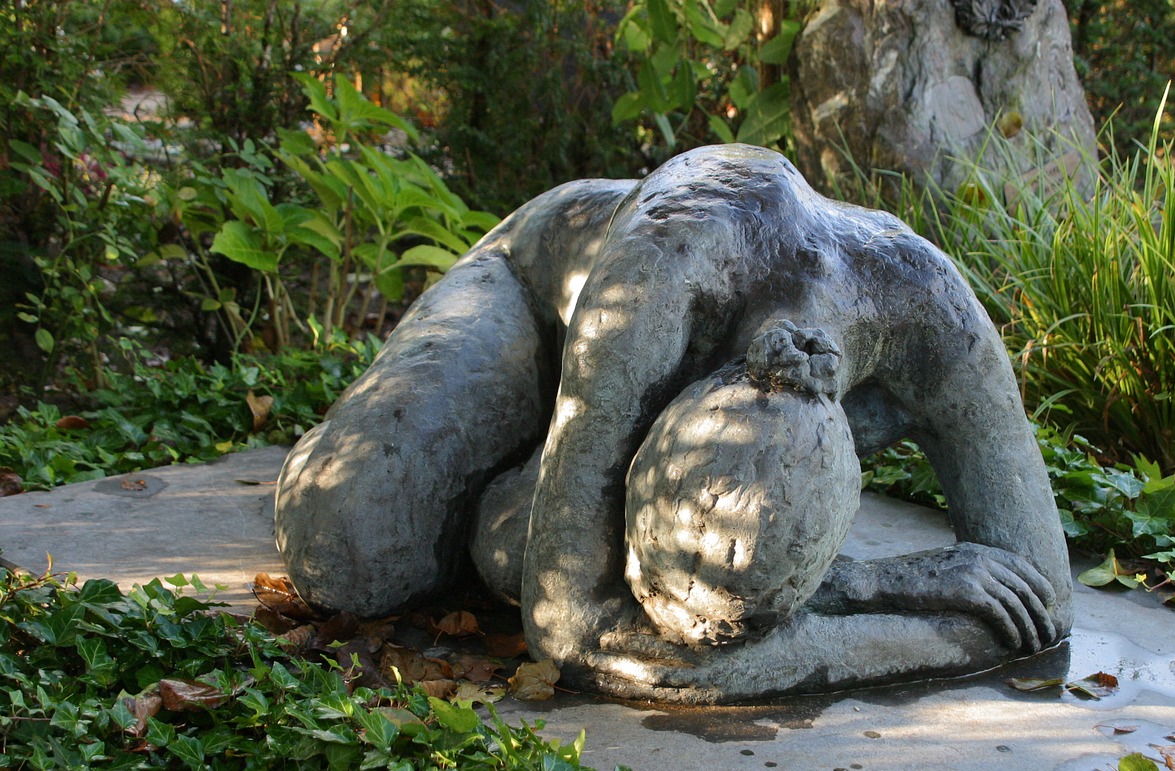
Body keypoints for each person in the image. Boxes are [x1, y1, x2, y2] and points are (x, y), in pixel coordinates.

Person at [275, 145, 1071, 704]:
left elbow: (1044, 607)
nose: (671, 636)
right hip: (532, 294)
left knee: (512, 546)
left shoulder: (933, 321)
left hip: (624, 389)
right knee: (353, 549)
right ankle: (504, 456)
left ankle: (538, 487)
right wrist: (862, 596)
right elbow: (571, 626)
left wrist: (780, 634)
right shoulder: (663, 287)